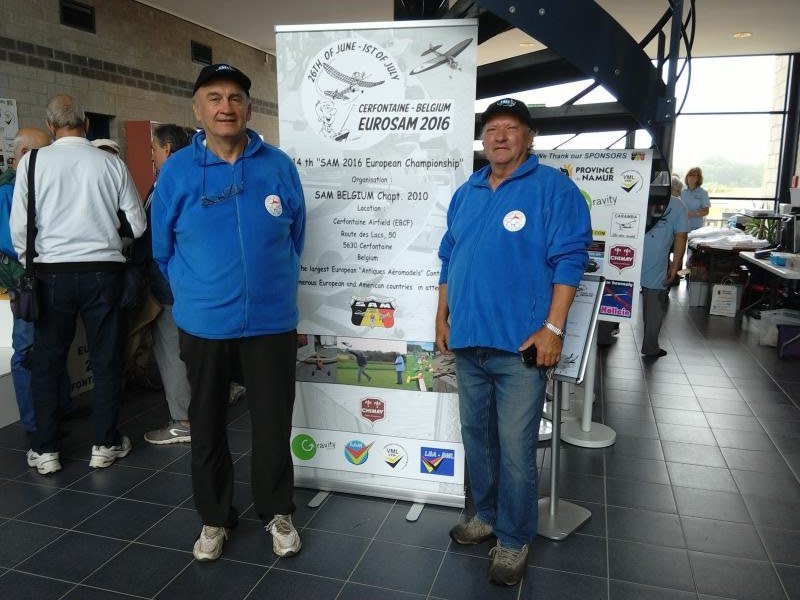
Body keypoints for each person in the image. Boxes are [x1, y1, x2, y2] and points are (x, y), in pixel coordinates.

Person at [151, 63, 305, 562]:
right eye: (214, 98)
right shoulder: (177, 171)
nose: (226, 107)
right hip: (204, 324)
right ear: (197, 110)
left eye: (235, 97)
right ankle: (214, 517)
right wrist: (198, 293)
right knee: (207, 425)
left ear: (249, 108)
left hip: (271, 323)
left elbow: (296, 235)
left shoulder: (278, 165)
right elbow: (161, 251)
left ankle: (277, 511)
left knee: (273, 423)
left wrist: (268, 286)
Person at [436, 97, 591, 586]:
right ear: (483, 139)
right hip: (468, 341)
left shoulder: (554, 189)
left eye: (511, 127)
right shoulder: (467, 191)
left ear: (529, 137)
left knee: (516, 448)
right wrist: (442, 317)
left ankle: (513, 538)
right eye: (492, 129)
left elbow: (570, 260)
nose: (500, 136)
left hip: (520, 347)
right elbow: (448, 257)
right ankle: (483, 516)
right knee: (477, 439)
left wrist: (553, 329)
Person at [10, 94, 146, 475]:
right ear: (85, 123)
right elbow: (137, 225)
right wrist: (111, 238)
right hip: (104, 272)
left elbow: (20, 228)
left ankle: (46, 450)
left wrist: (32, 263)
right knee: (105, 360)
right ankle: (105, 444)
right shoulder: (111, 163)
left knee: (48, 362)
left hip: (51, 274)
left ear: (50, 125)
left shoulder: (32, 163)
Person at [0, 127, 73, 433]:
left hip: (46, 276)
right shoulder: (6, 191)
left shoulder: (34, 184)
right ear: (25, 154)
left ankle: (60, 409)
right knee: (27, 349)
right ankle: (35, 421)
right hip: (24, 284)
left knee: (53, 342)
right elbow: (10, 241)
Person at [142, 124, 194, 444]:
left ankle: (183, 421)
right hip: (188, 282)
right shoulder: (197, 176)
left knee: (172, 348)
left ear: (167, 149)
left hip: (171, 283)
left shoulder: (169, 182)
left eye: (154, 149)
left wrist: (163, 275)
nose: (151, 155)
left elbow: (160, 239)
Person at [640, 179, 689, 358]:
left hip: (625, 252)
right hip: (656, 257)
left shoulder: (636, 196)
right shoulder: (677, 205)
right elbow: (681, 236)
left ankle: (604, 336)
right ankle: (650, 347)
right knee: (654, 302)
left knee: (614, 293)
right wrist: (675, 266)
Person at [681, 167, 710, 231]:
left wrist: (693, 214)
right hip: (681, 225)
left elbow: (706, 211)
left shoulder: (703, 193)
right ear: (687, 177)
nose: (691, 178)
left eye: (694, 176)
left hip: (696, 227)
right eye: (690, 175)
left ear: (698, 178)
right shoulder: (681, 191)